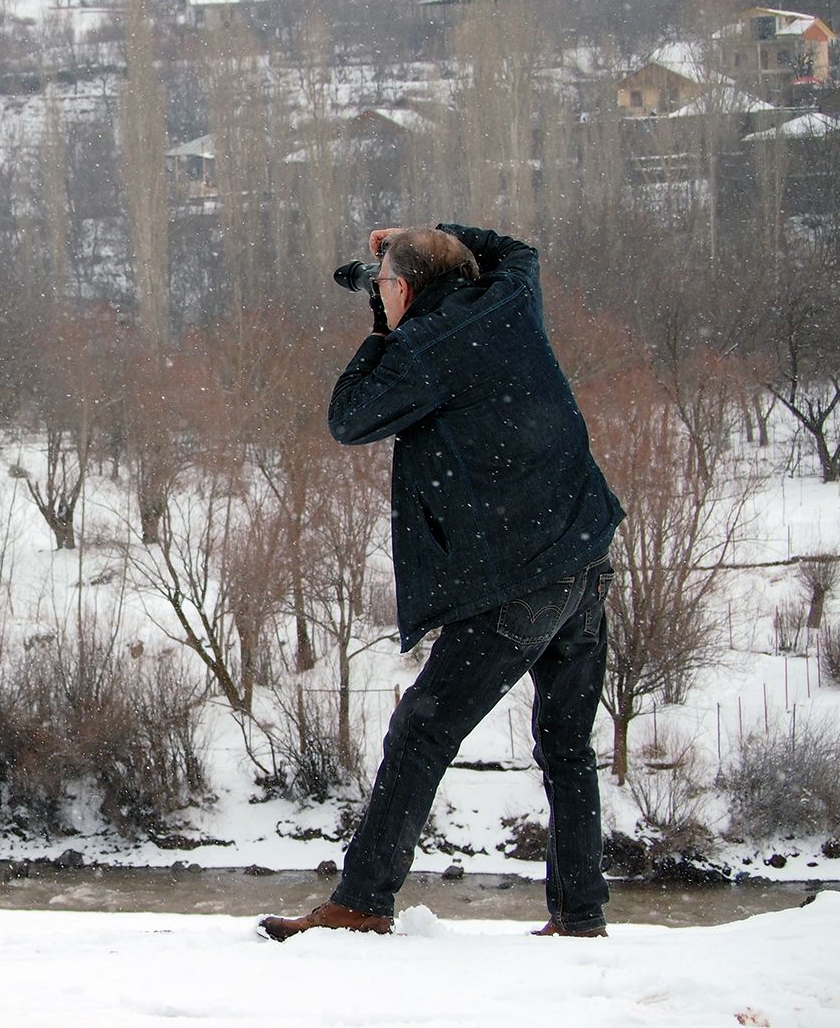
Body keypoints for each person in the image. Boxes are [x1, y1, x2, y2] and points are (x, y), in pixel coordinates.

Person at [259, 223, 624, 942]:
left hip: (519, 579)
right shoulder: (511, 295)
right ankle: (580, 914)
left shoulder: (424, 351)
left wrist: (381, 327)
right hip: (584, 554)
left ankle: (363, 902)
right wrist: (424, 237)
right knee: (567, 744)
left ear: (401, 288)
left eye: (384, 286)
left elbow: (348, 416)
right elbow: (517, 249)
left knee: (421, 730)